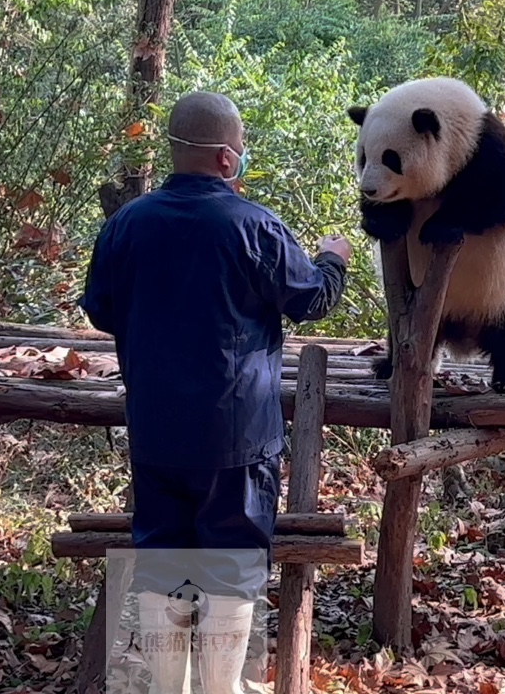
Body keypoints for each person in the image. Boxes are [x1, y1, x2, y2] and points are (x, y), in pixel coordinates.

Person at [79, 91, 351, 694]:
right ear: (228, 160)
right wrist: (333, 259)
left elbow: (100, 310)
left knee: (163, 565)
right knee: (231, 570)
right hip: (238, 438)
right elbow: (313, 300)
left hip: (155, 431)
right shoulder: (255, 227)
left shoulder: (126, 224)